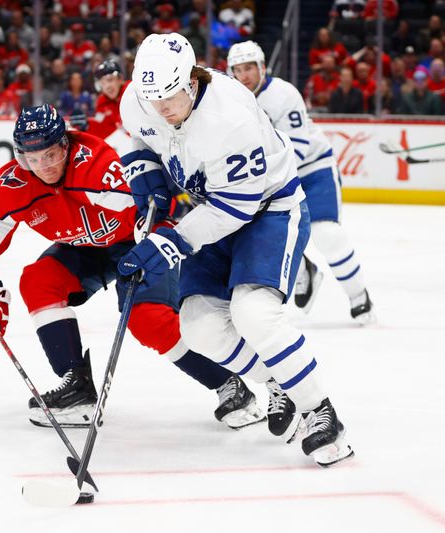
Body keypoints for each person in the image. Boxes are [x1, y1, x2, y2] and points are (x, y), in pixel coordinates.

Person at [117, 33, 354, 467]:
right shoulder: (140, 100)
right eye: (152, 99)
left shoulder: (230, 116)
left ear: (191, 80)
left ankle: (321, 412)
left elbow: (236, 208)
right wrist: (145, 177)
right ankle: (278, 381)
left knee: (253, 312)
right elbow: (140, 139)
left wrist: (167, 243)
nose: (161, 108)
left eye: (170, 97)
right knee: (198, 325)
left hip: (268, 210)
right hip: (212, 208)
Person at [0, 104, 264, 429]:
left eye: (50, 155)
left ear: (66, 144)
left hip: (137, 239)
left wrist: (154, 243)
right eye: (32, 159)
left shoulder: (96, 167)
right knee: (38, 280)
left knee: (147, 320)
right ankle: (77, 389)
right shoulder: (12, 187)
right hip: (86, 248)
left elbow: (156, 208)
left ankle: (229, 385)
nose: (43, 167)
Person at [228, 41, 374, 321]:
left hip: (311, 170)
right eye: (238, 69)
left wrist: (259, 183)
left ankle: (359, 296)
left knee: (326, 234)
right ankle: (303, 267)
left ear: (261, 67)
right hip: (269, 177)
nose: (244, 75)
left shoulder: (283, 94)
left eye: (249, 68)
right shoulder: (231, 100)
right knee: (262, 240)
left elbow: (296, 149)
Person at [86, 60, 133, 154]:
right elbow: (103, 128)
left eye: (110, 80)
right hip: (125, 148)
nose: (107, 86)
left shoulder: (132, 91)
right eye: (102, 83)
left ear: (120, 79)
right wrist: (86, 125)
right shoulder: (102, 102)